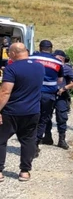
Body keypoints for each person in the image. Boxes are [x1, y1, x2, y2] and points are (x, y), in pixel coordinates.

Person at [0, 43, 45, 182]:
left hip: (11, 111)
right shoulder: (39, 67)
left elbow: (5, 91)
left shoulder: (11, 68)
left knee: (1, 140)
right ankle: (24, 172)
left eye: (9, 52)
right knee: (28, 140)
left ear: (13, 53)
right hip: (32, 111)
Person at [29, 40, 64, 155]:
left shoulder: (32, 58)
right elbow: (60, 80)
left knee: (30, 118)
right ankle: (35, 145)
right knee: (43, 119)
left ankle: (28, 143)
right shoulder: (57, 62)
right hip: (48, 95)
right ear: (51, 49)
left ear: (40, 48)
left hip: (32, 93)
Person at [41, 50, 73, 150]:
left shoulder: (66, 68)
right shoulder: (48, 67)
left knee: (61, 118)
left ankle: (61, 140)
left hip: (61, 97)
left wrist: (64, 88)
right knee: (46, 117)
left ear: (61, 59)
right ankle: (47, 137)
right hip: (49, 95)